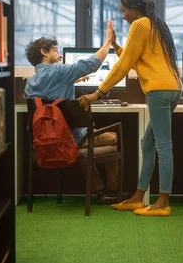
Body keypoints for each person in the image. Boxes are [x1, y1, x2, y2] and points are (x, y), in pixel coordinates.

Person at [78, 0, 182, 217]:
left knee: (163, 147)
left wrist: (99, 92)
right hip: (172, 88)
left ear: (134, 9)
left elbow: (124, 65)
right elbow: (136, 59)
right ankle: (137, 198)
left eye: (124, 11)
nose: (123, 16)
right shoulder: (154, 25)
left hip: (159, 90)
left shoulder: (139, 25)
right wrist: (115, 45)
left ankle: (163, 202)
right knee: (148, 144)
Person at [24, 35, 120, 202]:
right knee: (113, 137)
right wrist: (108, 42)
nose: (59, 55)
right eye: (55, 51)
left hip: (44, 140)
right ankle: (113, 191)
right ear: (43, 52)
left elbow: (49, 94)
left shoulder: (30, 83)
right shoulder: (59, 71)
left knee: (84, 137)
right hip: (70, 139)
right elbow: (91, 64)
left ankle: (100, 190)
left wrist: (72, 80)